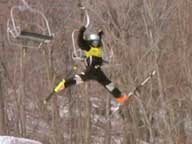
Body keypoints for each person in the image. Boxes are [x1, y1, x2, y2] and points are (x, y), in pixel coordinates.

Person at [43, 26, 129, 105]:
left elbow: (98, 40)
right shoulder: (88, 48)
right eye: (94, 42)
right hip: (90, 70)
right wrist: (81, 32)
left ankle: (120, 97)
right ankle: (64, 84)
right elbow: (80, 43)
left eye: (97, 42)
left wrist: (100, 34)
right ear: (90, 43)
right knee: (77, 79)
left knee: (108, 84)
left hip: (98, 72)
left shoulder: (98, 48)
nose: (96, 44)